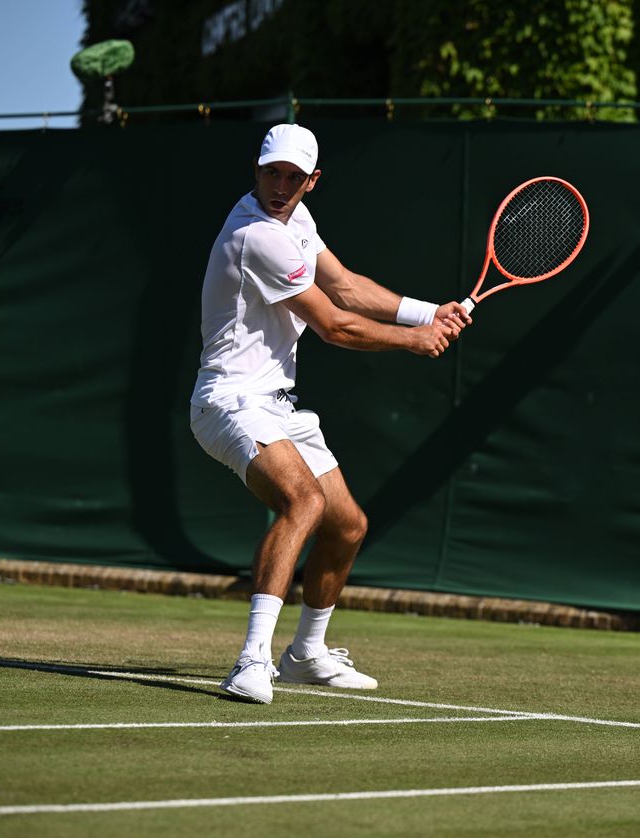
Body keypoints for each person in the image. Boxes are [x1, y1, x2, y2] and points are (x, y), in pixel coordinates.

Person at [190, 123, 471, 704]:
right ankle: (251, 662)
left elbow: (344, 287)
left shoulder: (297, 222)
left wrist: (426, 314)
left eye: (294, 177)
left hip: (277, 403)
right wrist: (412, 342)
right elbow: (334, 324)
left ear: (312, 182)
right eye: (272, 172)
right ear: (257, 168)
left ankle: (306, 655)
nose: (280, 186)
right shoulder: (256, 235)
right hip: (229, 401)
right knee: (304, 500)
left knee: (347, 527)